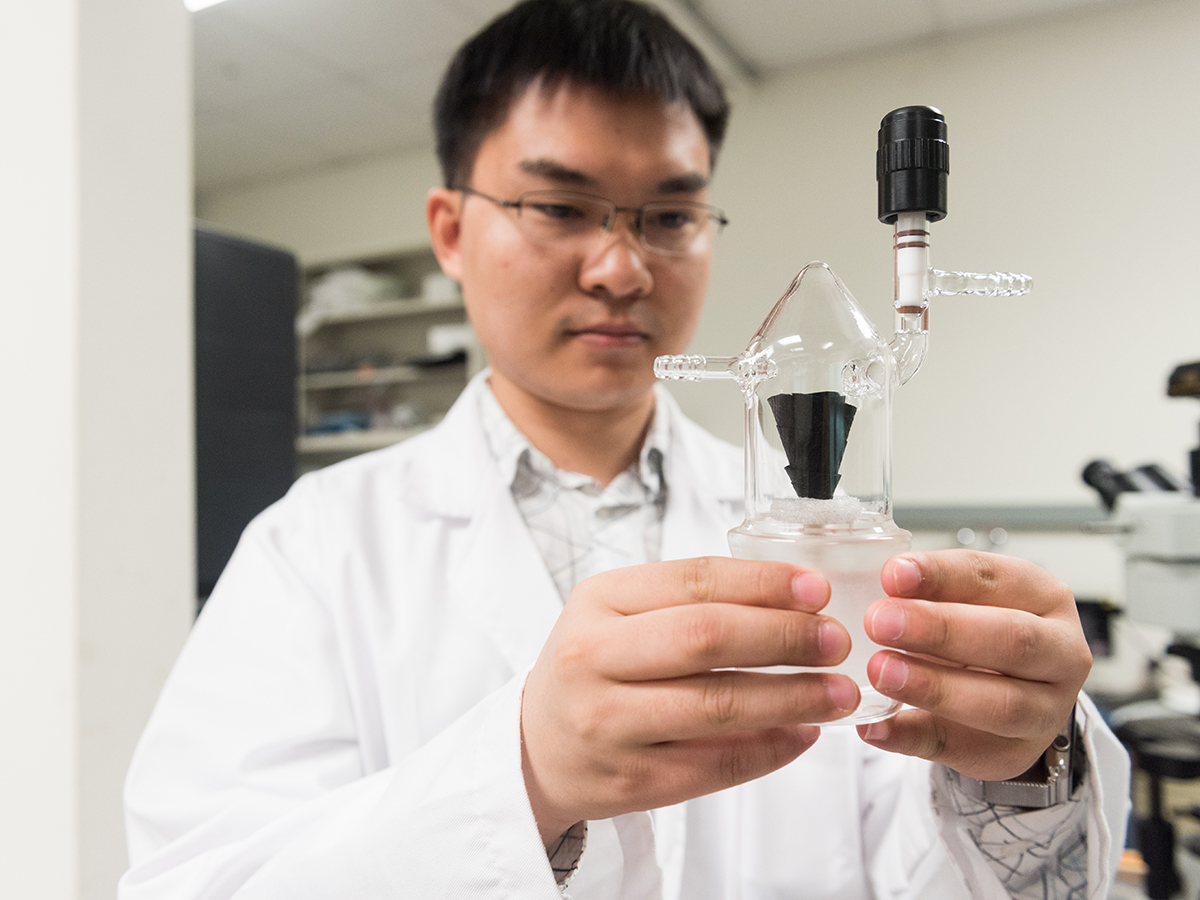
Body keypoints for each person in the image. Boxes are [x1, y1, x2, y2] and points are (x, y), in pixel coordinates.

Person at [121, 1, 1130, 897]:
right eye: (559, 206)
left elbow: (930, 872)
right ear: (450, 230)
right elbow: (198, 881)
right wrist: (524, 774)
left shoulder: (824, 548)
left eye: (669, 215)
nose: (619, 266)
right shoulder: (315, 550)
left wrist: (1025, 769)